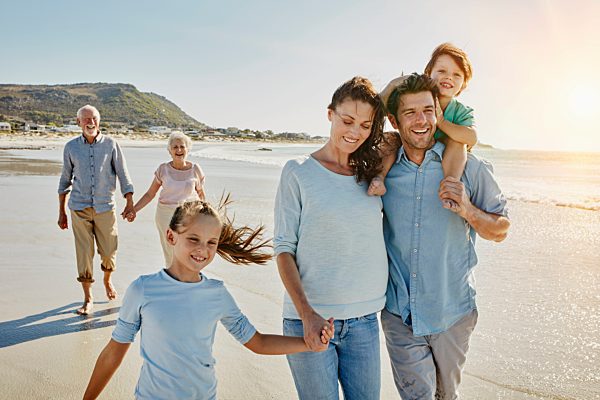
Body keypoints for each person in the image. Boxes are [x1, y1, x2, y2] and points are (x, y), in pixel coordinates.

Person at [83, 198, 334, 400]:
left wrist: (308, 344)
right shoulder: (143, 289)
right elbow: (114, 352)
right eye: (193, 239)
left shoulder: (217, 293)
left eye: (211, 243)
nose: (202, 250)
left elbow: (257, 342)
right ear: (171, 237)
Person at [380, 73, 510, 399]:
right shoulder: (383, 171)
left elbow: (501, 229)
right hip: (400, 316)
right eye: (410, 113)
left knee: (446, 396)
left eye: (428, 110)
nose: (422, 120)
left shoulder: (470, 168)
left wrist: (468, 209)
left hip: (452, 314)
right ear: (394, 121)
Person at [274, 76, 389, 400]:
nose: (355, 132)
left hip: (365, 321)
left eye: (366, 125)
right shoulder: (298, 171)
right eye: (347, 120)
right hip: (309, 320)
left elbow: (400, 135)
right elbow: (283, 249)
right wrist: (307, 314)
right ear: (330, 114)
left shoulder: (371, 172)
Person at [368, 43, 478, 209]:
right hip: (415, 147)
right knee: (391, 138)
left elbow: (471, 137)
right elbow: (375, 111)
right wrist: (392, 85)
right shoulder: (416, 94)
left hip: (446, 153)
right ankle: (379, 177)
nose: (449, 77)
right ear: (428, 74)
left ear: (463, 84)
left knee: (457, 142)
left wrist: (442, 122)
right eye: (442, 71)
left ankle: (451, 185)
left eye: (457, 75)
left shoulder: (460, 111)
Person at [58, 105, 135, 315]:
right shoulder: (71, 147)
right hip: (79, 208)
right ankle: (88, 297)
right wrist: (61, 212)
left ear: (99, 121)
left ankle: (107, 280)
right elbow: (65, 180)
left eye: (93, 118)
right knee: (84, 254)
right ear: (78, 123)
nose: (90, 122)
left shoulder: (111, 144)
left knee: (109, 251)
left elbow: (123, 174)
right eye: (85, 119)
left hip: (105, 208)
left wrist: (129, 202)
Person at [130, 131, 206, 265]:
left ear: (187, 149)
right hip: (165, 214)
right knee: (171, 249)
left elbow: (201, 194)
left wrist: (207, 216)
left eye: (182, 146)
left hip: (189, 215)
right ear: (169, 151)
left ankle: (188, 277)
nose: (179, 150)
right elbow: (150, 194)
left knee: (188, 248)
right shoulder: (163, 169)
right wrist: (134, 210)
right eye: (175, 147)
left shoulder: (195, 169)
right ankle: (173, 279)